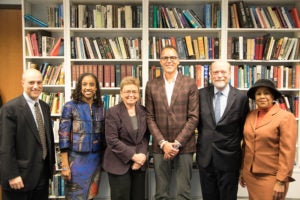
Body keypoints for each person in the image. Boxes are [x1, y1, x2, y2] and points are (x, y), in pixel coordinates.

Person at [145, 45, 199, 200]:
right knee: (161, 193)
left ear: (179, 61)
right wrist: (163, 143)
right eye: (165, 58)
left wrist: (176, 144)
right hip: (160, 147)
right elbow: (150, 117)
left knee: (183, 192)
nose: (169, 60)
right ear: (160, 61)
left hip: (185, 146)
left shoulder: (190, 83)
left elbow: (194, 117)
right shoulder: (152, 85)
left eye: (173, 57)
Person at [196, 60, 249, 200]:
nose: (219, 75)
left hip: (229, 159)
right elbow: (194, 122)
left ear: (230, 74)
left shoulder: (242, 97)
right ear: (210, 75)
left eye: (223, 72)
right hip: (206, 157)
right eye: (216, 72)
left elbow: (244, 128)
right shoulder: (199, 95)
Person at [0, 68, 55, 200]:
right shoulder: (10, 109)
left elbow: (47, 139)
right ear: (22, 83)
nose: (36, 86)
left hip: (42, 176)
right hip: (19, 178)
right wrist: (12, 175)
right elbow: (5, 146)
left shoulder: (45, 107)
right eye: (31, 82)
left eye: (39, 82)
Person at [240, 79, 297, 200]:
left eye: (266, 93)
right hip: (250, 174)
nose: (262, 96)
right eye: (258, 93)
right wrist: (243, 171)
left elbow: (288, 152)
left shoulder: (286, 117)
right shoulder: (250, 115)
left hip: (272, 177)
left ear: (273, 96)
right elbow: (246, 145)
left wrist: (281, 181)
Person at [59, 72, 105, 200]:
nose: (88, 87)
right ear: (79, 87)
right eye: (84, 84)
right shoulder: (70, 106)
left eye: (91, 84)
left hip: (96, 160)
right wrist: (65, 165)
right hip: (76, 160)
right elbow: (63, 137)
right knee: (75, 196)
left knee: (91, 196)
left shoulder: (100, 107)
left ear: (96, 88)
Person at [103, 76, 149, 200]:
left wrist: (142, 157)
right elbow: (112, 140)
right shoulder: (112, 112)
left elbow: (145, 137)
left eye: (134, 91)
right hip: (118, 164)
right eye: (127, 91)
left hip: (139, 164)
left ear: (139, 94)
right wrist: (134, 157)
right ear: (121, 94)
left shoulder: (143, 111)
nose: (131, 95)